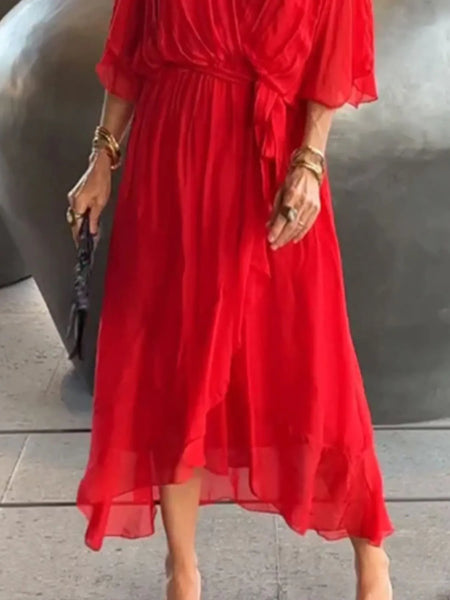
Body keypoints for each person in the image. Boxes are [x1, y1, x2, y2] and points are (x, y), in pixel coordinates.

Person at [68, 0, 395, 598]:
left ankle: (370, 550)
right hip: (171, 165)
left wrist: (311, 161)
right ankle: (182, 568)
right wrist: (102, 158)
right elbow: (129, 52)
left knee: (312, 358)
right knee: (174, 363)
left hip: (273, 167)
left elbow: (333, 51)